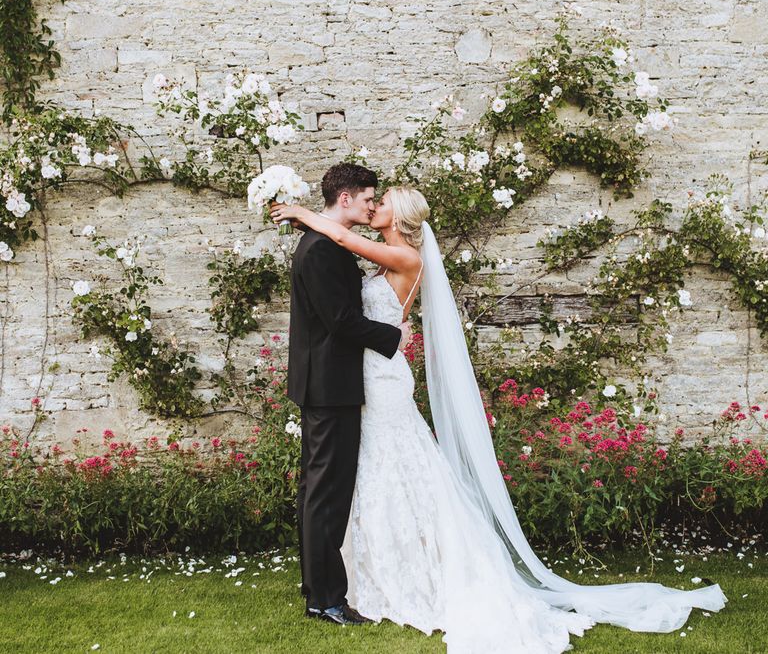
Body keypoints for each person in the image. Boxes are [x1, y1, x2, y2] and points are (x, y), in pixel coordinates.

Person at [272, 185, 727, 653]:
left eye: (381, 201)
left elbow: (346, 242)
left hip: (381, 382)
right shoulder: (387, 258)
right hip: (367, 376)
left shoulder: (405, 257)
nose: (374, 206)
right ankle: (360, 574)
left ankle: (406, 574)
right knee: (371, 472)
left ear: (399, 215)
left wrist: (303, 213)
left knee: (392, 466)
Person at [284, 163, 411, 626]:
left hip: (329, 382)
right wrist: (395, 338)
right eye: (366, 200)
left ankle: (318, 587)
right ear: (344, 199)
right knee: (326, 494)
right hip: (330, 385)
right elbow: (340, 320)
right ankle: (326, 600)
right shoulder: (320, 250)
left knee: (321, 490)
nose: (371, 206)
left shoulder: (327, 243)